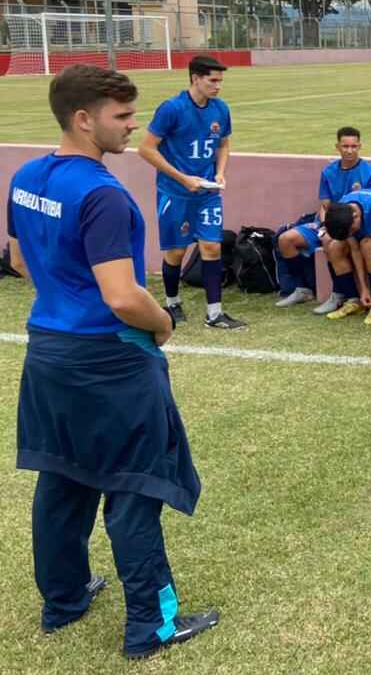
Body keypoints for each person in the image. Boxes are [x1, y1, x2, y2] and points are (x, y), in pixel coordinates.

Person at [7, 65, 219, 660]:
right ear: (83, 119)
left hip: (49, 352)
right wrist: (165, 322)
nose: (133, 127)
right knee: (133, 485)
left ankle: (65, 601)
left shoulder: (25, 176)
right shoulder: (101, 194)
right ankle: (152, 626)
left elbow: (20, 262)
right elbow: (123, 296)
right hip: (110, 358)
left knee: (64, 475)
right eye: (122, 117)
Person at [137, 55, 244, 330]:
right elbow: (146, 149)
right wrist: (182, 178)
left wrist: (220, 172)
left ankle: (214, 313)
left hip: (207, 192)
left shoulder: (221, 109)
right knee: (176, 252)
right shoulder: (172, 109)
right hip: (175, 192)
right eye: (213, 80)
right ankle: (172, 304)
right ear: (195, 78)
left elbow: (223, 145)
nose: (218, 86)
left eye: (220, 81)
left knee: (211, 246)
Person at [276, 126, 371, 310]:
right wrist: (325, 225)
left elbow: (369, 205)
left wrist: (332, 230)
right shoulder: (328, 172)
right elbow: (325, 205)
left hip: (353, 226)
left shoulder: (370, 173)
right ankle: (303, 289)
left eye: (354, 146)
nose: (349, 150)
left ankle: (343, 294)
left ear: (360, 146)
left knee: (330, 243)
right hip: (326, 221)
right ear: (337, 147)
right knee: (285, 239)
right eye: (345, 146)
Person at [321, 189, 371, 324]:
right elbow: (355, 250)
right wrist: (363, 288)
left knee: (368, 245)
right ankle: (354, 301)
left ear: (355, 216)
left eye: (353, 230)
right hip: (368, 233)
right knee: (334, 247)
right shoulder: (343, 210)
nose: (352, 232)